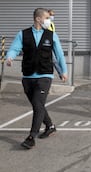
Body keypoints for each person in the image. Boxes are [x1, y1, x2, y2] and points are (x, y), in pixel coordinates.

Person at [6, 8, 68, 149]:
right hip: (28, 76)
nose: (49, 20)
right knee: (37, 104)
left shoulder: (52, 35)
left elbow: (58, 54)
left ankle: (31, 136)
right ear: (38, 19)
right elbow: (14, 48)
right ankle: (50, 126)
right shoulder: (23, 34)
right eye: (47, 17)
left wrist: (64, 71)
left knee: (37, 103)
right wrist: (10, 57)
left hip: (45, 75)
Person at [47, 9, 63, 78]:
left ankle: (60, 73)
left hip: (52, 43)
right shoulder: (45, 24)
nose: (52, 16)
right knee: (54, 60)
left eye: (53, 15)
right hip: (47, 44)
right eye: (51, 15)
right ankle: (61, 74)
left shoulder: (52, 24)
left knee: (56, 58)